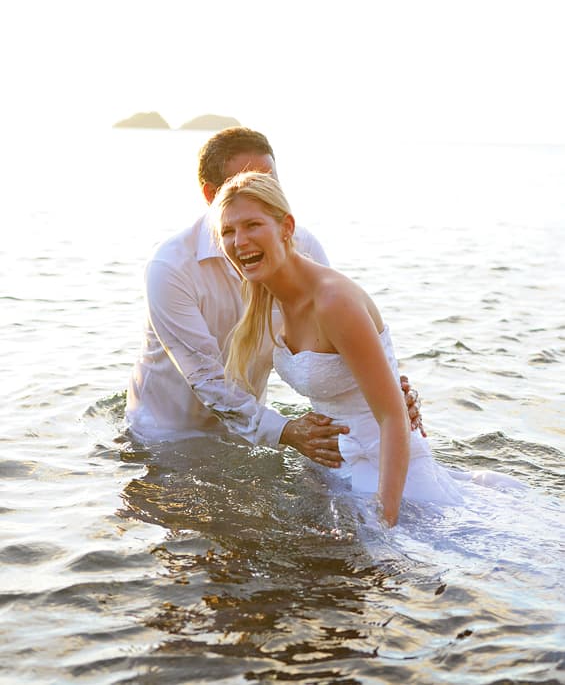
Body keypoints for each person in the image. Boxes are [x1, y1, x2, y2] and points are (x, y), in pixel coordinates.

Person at [212, 171, 524, 527]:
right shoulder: (267, 299)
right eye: (227, 231)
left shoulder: (333, 301)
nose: (239, 241)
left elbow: (392, 416)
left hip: (389, 476)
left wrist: (384, 519)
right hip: (334, 470)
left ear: (286, 227)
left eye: (252, 225)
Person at [126, 127, 423, 467]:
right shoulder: (170, 267)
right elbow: (206, 379)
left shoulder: (303, 247)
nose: (262, 193)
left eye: (270, 181)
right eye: (248, 181)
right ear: (211, 195)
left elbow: (335, 340)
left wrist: (391, 397)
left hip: (247, 439)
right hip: (166, 439)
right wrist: (286, 431)